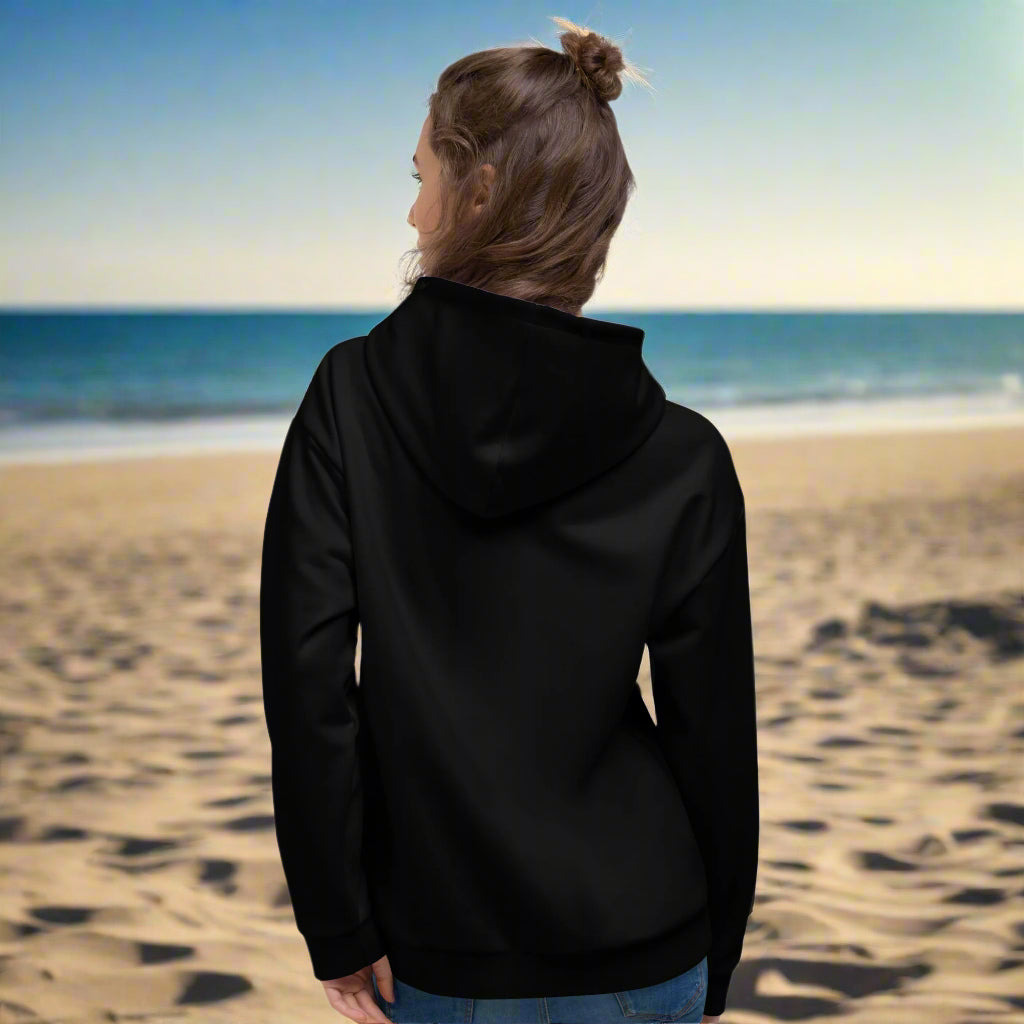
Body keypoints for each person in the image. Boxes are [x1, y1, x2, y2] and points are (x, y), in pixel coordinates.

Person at [259, 15, 759, 1024]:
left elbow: (308, 687)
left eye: (419, 178)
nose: (412, 212)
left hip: (440, 952)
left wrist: (338, 924)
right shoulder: (685, 452)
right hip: (649, 936)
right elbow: (712, 730)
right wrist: (718, 954)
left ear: (478, 190)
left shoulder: (349, 397)